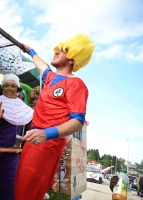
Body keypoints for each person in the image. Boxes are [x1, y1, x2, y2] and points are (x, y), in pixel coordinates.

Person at [14, 33, 95, 200]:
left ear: (72, 58)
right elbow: (42, 65)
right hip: (34, 140)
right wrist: (30, 51)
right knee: (20, 189)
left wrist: (46, 134)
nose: (56, 51)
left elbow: (78, 121)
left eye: (63, 50)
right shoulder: (50, 78)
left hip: (47, 144)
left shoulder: (77, 84)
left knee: (26, 194)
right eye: (57, 49)